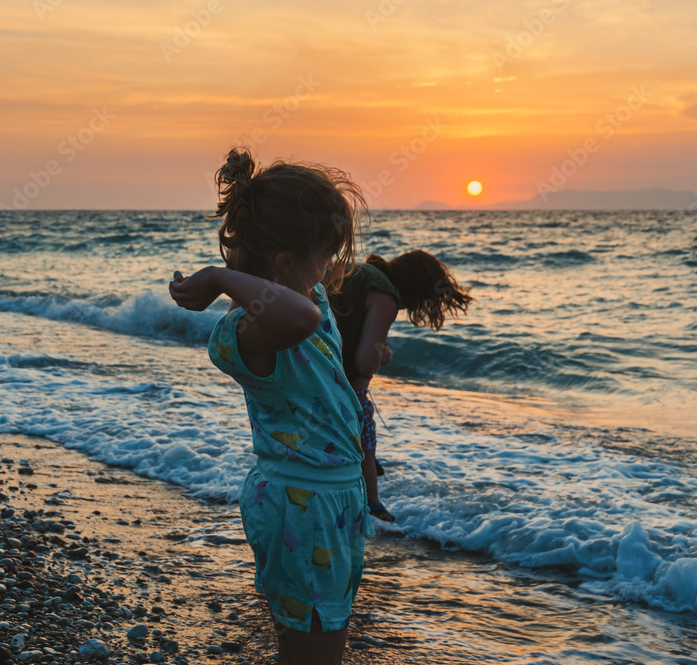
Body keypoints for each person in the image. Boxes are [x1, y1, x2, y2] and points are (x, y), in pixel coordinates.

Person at [168, 147, 374, 665]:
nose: (328, 270)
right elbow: (299, 319)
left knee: (319, 634)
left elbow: (311, 321)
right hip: (302, 502)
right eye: (323, 257)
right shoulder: (241, 334)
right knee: (314, 647)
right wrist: (218, 278)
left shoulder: (311, 300)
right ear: (284, 263)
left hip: (332, 500)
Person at [328, 251, 474, 523]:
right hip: (337, 385)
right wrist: (382, 354)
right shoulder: (385, 295)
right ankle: (373, 504)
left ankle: (363, 468)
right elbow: (363, 363)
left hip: (308, 364)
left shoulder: (363, 273)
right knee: (366, 437)